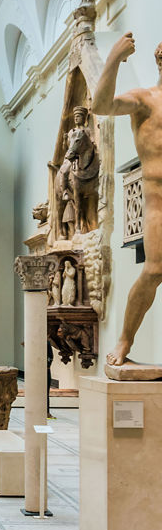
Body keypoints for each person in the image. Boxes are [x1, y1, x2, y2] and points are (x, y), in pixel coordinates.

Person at [94, 33, 162, 365]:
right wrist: (114, 58)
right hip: (158, 205)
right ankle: (124, 341)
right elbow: (100, 105)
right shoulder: (145, 100)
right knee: (153, 271)